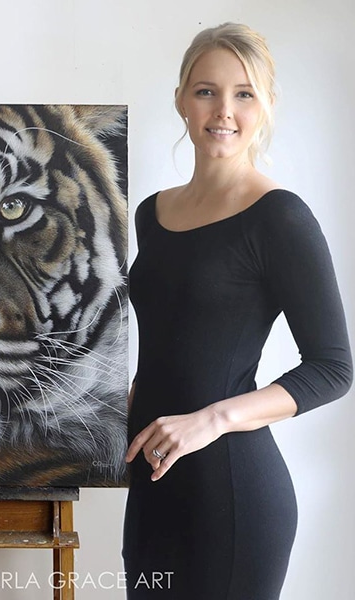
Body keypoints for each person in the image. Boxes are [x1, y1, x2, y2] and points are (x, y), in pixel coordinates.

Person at [123, 22, 352, 600]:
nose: (223, 110)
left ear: (266, 104)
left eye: (243, 93)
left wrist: (212, 419)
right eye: (206, 90)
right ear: (181, 99)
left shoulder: (280, 217)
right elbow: (173, 337)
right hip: (151, 488)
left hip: (231, 496)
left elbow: (333, 368)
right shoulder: (150, 214)